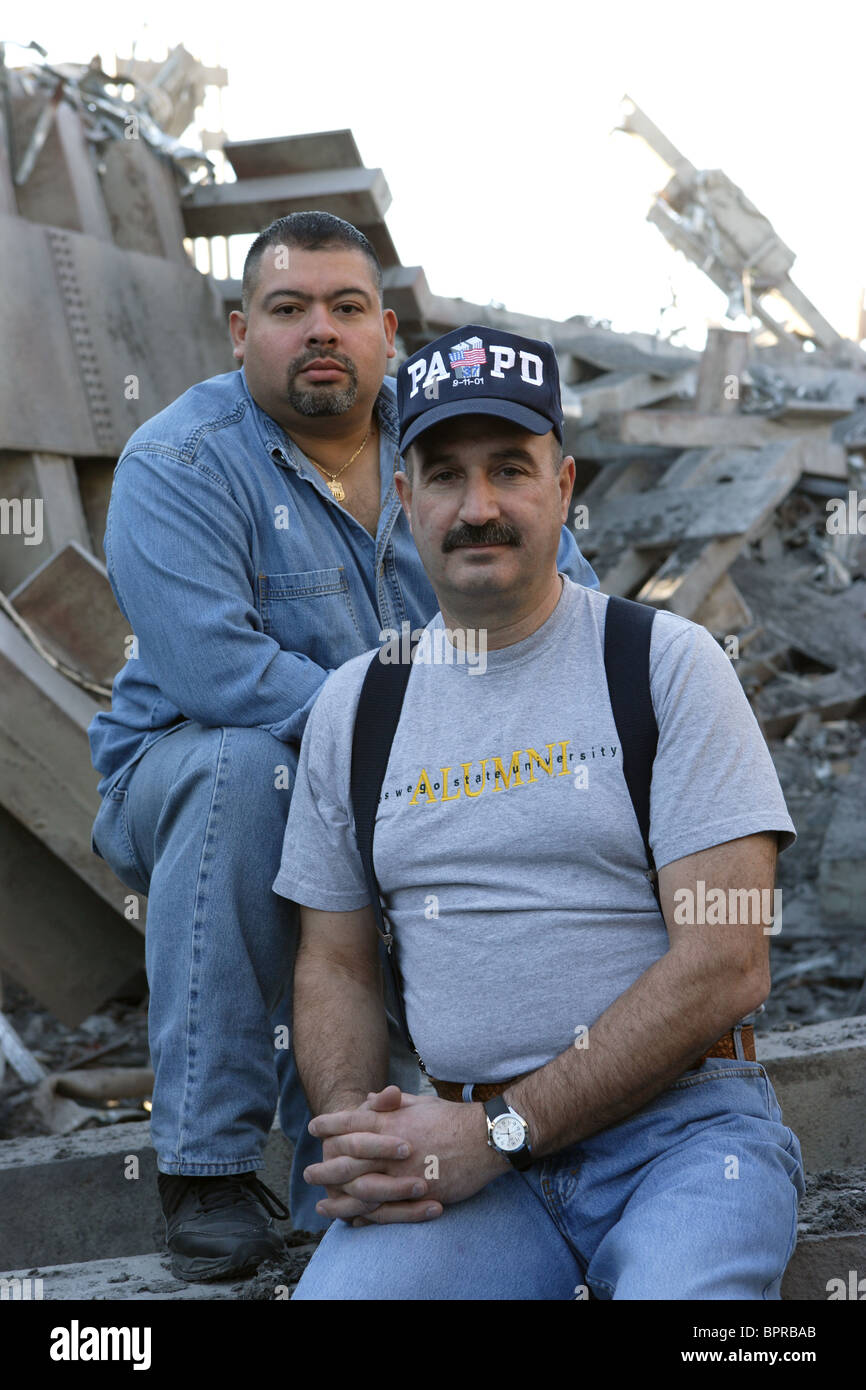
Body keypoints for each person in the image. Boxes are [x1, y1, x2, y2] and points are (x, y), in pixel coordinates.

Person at [87, 216, 598, 1283]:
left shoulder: (448, 448)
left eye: (345, 307)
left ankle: (498, 1121)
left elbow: (573, 618)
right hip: (199, 780)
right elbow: (224, 679)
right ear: (239, 332)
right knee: (251, 773)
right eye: (287, 309)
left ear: (387, 330)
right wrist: (444, 752)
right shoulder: (177, 463)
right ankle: (210, 1165)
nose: (319, 330)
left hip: (407, 777)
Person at [274, 323, 806, 1300]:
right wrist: (364, 1129)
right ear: (403, 499)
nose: (477, 507)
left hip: (681, 1139)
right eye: (444, 475)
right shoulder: (360, 706)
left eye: (509, 470)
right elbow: (333, 958)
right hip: (472, 1170)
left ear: (562, 488)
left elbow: (725, 961)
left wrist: (501, 1130)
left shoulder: (663, 665)